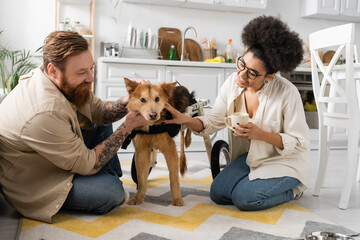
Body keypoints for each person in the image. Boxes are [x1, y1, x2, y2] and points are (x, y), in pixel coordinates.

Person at [0, 31, 150, 223]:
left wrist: (130, 98)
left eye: (91, 68)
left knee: (99, 123)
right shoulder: (44, 111)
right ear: (53, 70)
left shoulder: (58, 80)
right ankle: (106, 178)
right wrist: (128, 126)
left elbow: (100, 111)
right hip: (39, 182)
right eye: (82, 72)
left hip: (53, 153)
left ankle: (104, 174)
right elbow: (90, 165)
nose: (91, 78)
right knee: (111, 192)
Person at [164, 15, 310, 211]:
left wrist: (261, 135)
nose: (241, 75)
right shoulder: (233, 83)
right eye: (242, 64)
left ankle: (293, 190)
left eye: (251, 73)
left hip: (282, 161)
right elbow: (214, 120)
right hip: (252, 157)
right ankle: (252, 184)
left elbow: (300, 142)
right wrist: (185, 120)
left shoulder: (286, 92)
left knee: (245, 199)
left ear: (270, 76)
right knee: (218, 193)